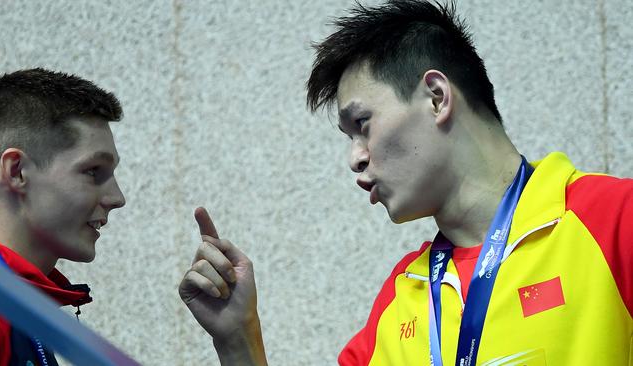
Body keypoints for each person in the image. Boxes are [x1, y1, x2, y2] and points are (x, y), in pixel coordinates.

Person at [178, 1, 633, 365]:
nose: (355, 157)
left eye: (362, 123)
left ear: (436, 98)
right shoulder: (403, 294)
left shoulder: (614, 220)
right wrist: (240, 341)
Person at [0, 68, 126, 365]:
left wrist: (236, 339)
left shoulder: (15, 305)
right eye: (93, 171)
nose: (117, 198)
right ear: (16, 171)